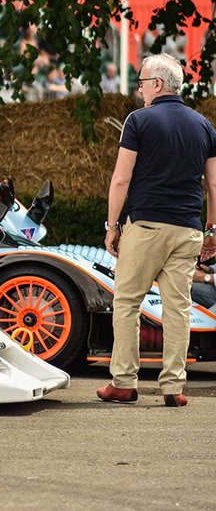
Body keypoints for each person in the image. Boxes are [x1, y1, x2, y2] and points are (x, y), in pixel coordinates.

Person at [98, 54, 216, 407]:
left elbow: (121, 179)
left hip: (147, 225)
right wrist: (212, 229)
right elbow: (213, 185)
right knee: (178, 307)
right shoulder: (204, 125)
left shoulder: (139, 121)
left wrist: (112, 226)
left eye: (142, 83)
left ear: (158, 85)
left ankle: (123, 382)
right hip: (188, 230)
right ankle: (173, 388)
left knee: (127, 301)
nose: (140, 90)